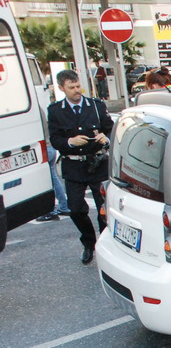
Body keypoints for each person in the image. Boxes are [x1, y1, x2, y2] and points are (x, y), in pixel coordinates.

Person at [47, 69, 114, 264]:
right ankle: (88, 242)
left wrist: (106, 138)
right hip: (74, 166)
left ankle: (104, 245)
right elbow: (55, 139)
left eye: (78, 86)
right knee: (75, 209)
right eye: (71, 88)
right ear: (62, 88)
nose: (77, 90)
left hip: (97, 163)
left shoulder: (96, 106)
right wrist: (70, 142)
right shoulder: (55, 110)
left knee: (103, 209)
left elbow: (111, 130)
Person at [35, 142, 70, 223]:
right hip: (50, 148)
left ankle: (51, 211)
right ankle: (64, 206)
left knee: (46, 181)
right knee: (53, 179)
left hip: (42, 149)